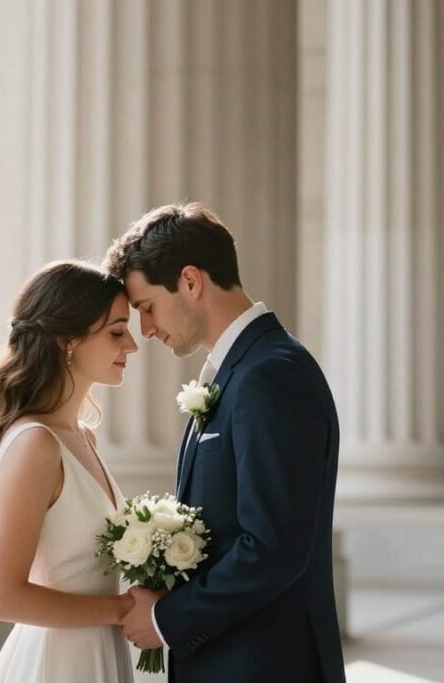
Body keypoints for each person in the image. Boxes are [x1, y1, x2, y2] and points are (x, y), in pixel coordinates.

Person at [104, 203, 346, 683]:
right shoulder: (241, 371)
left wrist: (164, 619)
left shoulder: (270, 374)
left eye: (147, 307)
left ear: (191, 281)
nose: (146, 330)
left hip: (265, 665)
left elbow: (273, 546)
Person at [0, 260, 139, 683]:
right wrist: (122, 610)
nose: (133, 345)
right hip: (58, 664)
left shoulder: (82, 437)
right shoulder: (35, 444)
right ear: (68, 340)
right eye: (117, 331)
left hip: (99, 651)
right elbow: (0, 597)